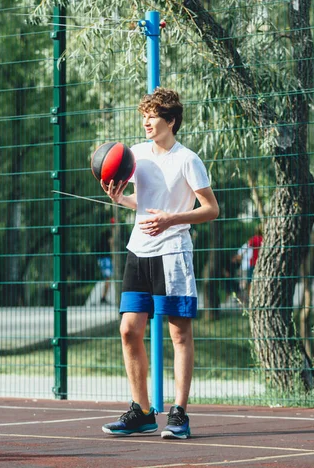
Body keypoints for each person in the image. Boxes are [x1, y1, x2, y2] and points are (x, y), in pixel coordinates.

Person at [100, 88, 219, 439]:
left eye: (152, 115)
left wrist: (172, 220)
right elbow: (145, 201)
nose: (146, 121)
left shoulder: (188, 160)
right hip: (139, 251)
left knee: (179, 334)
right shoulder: (136, 156)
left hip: (173, 253)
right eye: (144, 115)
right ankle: (142, 412)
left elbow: (211, 209)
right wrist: (121, 198)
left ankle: (179, 414)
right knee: (128, 330)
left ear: (170, 120)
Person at [96, 228, 113, 304]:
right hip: (105, 259)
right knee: (107, 279)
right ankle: (103, 297)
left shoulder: (102, 235)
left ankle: (104, 296)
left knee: (107, 279)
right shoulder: (108, 234)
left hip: (102, 258)